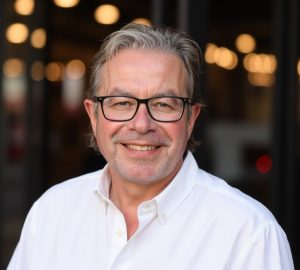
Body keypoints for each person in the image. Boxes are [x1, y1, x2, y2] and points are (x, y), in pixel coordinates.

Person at [8, 23, 294, 270]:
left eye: (163, 104)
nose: (142, 124)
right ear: (93, 116)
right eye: (121, 103)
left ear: (191, 118)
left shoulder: (249, 234)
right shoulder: (50, 212)